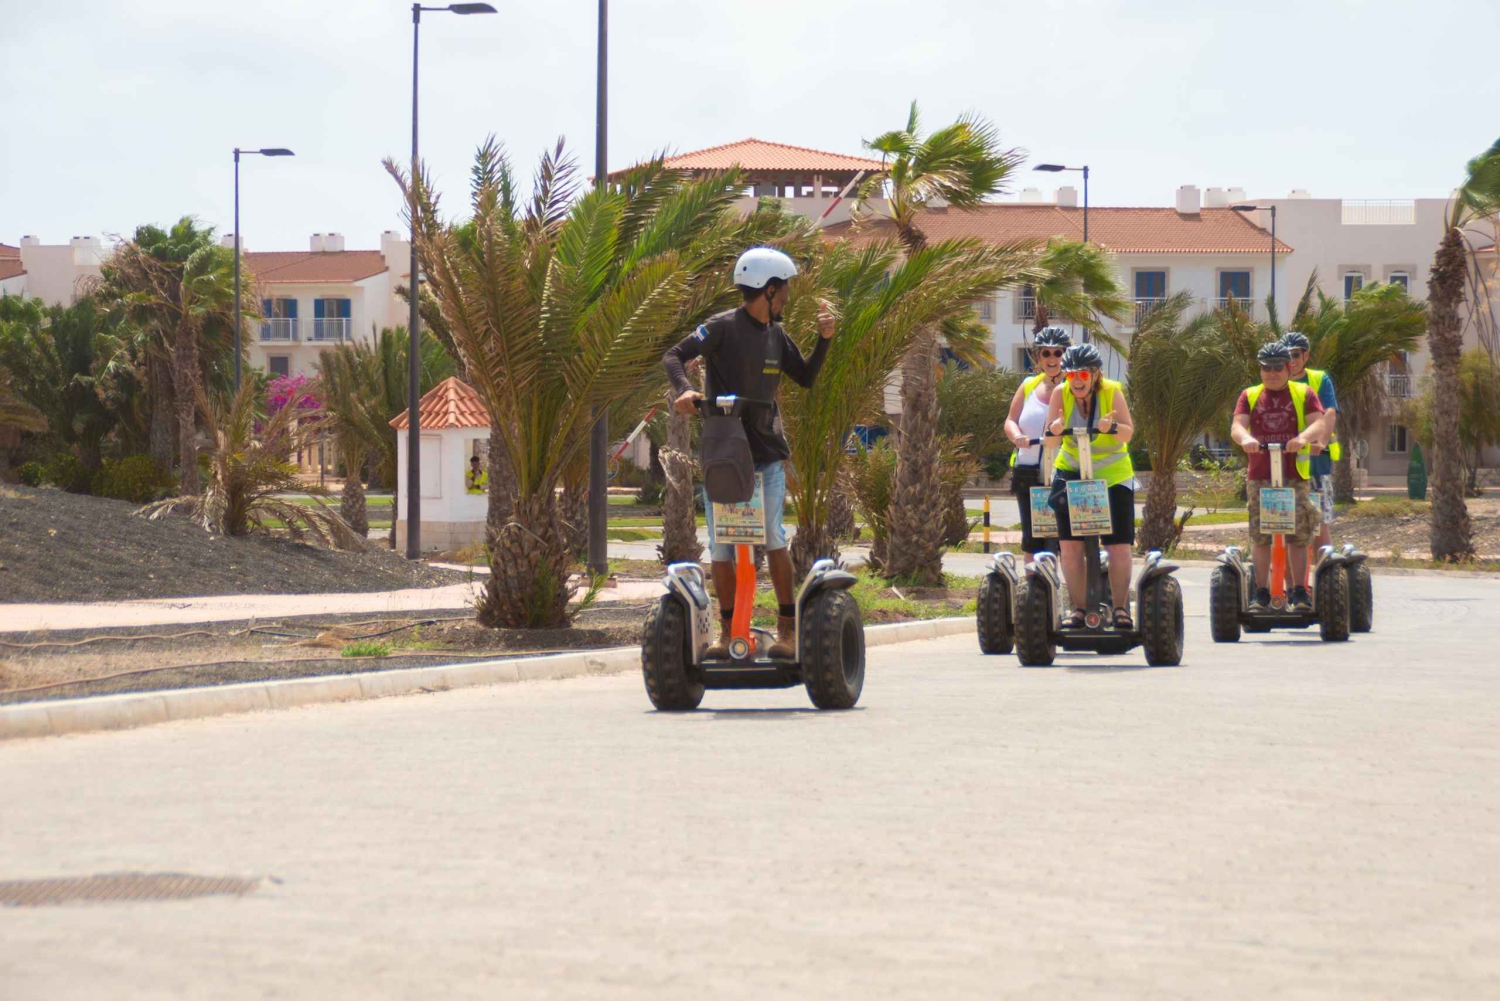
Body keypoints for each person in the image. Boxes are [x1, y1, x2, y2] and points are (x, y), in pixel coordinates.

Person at [663, 247, 836, 659]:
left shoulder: (777, 335)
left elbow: (807, 377)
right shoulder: (721, 327)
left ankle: (786, 630)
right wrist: (685, 390)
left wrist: (824, 340)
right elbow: (674, 355)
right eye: (785, 290)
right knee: (722, 545)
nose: (788, 297)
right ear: (769, 289)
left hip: (766, 454)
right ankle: (728, 633)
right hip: (724, 454)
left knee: (774, 539)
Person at [1229, 341, 1329, 612]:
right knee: (1261, 534)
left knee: (1298, 534)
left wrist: (1303, 438)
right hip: (1260, 475)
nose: (1272, 373)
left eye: (1277, 367)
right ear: (1260, 370)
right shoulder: (1249, 395)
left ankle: (1299, 591)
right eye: (1266, 368)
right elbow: (1237, 426)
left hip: (1294, 475)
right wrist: (1246, 438)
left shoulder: (1303, 392)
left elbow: (1318, 422)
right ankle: (1262, 592)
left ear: (1288, 367)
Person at [1043, 343, 1137, 630]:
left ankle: (1120, 607)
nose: (1078, 381)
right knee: (1070, 547)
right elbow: (1049, 441)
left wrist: (1112, 428)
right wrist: (1055, 430)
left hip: (1112, 476)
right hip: (1072, 472)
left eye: (1083, 374)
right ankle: (1080, 609)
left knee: (1118, 545)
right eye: (1071, 375)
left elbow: (1128, 433)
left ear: (1096, 375)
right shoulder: (1060, 394)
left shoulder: (1112, 392)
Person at [1003, 326, 1069, 563]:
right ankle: (1033, 589)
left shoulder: (1075, 386)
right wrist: (1017, 436)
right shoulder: (1029, 384)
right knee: (1032, 534)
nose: (1052, 359)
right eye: (1046, 353)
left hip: (1064, 468)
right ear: (1039, 357)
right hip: (1028, 468)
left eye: (1058, 353)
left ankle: (1071, 587)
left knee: (1067, 534)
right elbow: (1010, 420)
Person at [1282, 331, 1339, 558]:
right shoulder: (1276, 380)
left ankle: (1326, 579)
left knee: (1319, 526)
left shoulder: (1318, 380)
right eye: (1286, 356)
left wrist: (1321, 441)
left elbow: (1330, 412)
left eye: (1295, 355)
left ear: (1306, 356)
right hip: (1283, 467)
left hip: (1316, 466)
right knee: (1281, 526)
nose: (1291, 361)